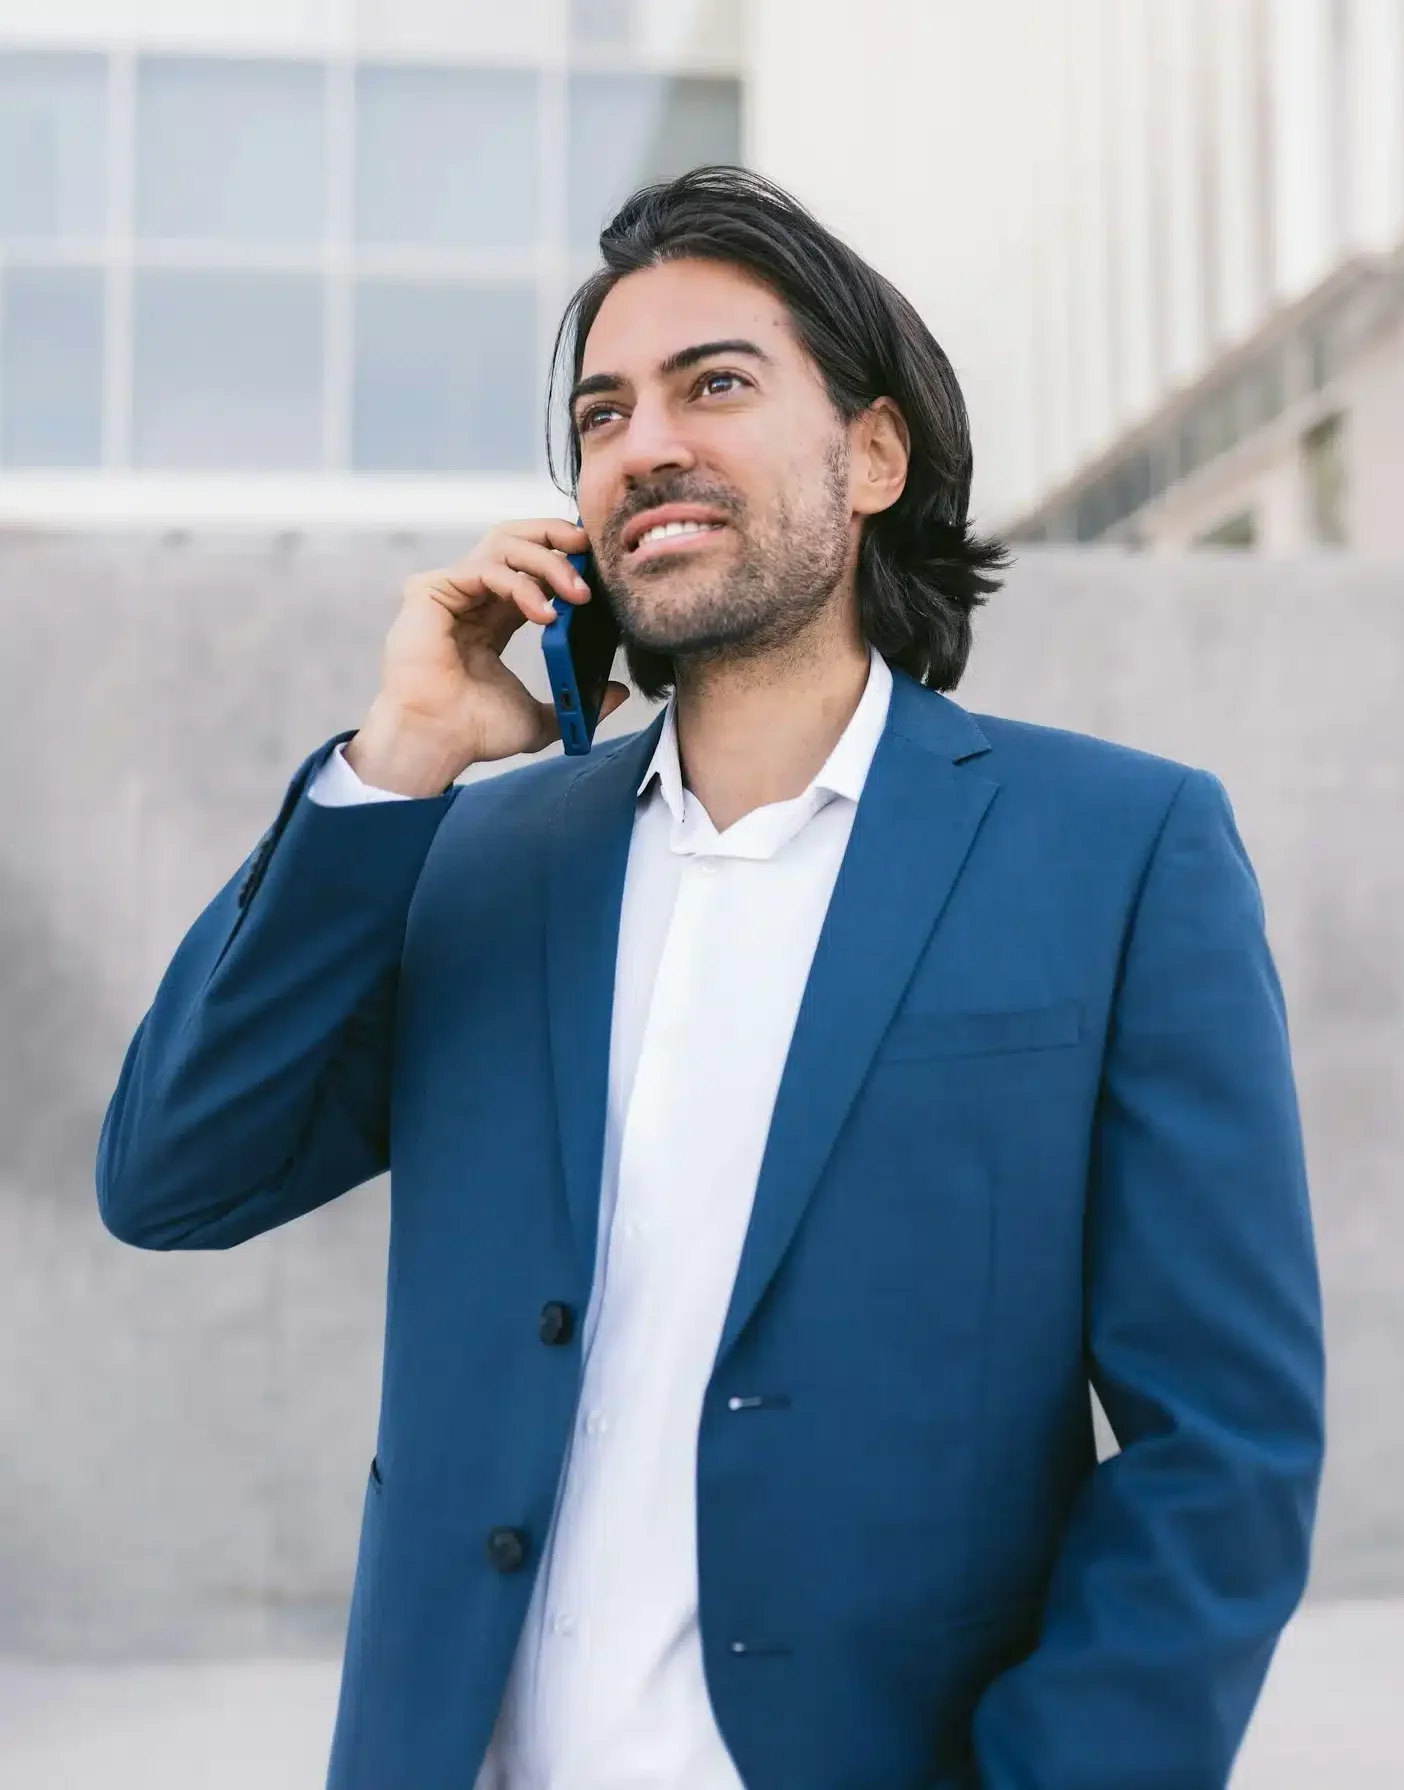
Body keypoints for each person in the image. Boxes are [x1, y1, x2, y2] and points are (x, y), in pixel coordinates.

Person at [97, 167, 1324, 1790]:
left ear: (873, 453)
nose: (645, 443)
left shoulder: (1119, 848)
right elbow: (176, 1170)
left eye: (716, 384)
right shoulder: (479, 857)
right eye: (602, 414)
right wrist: (396, 767)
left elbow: (1223, 1450)